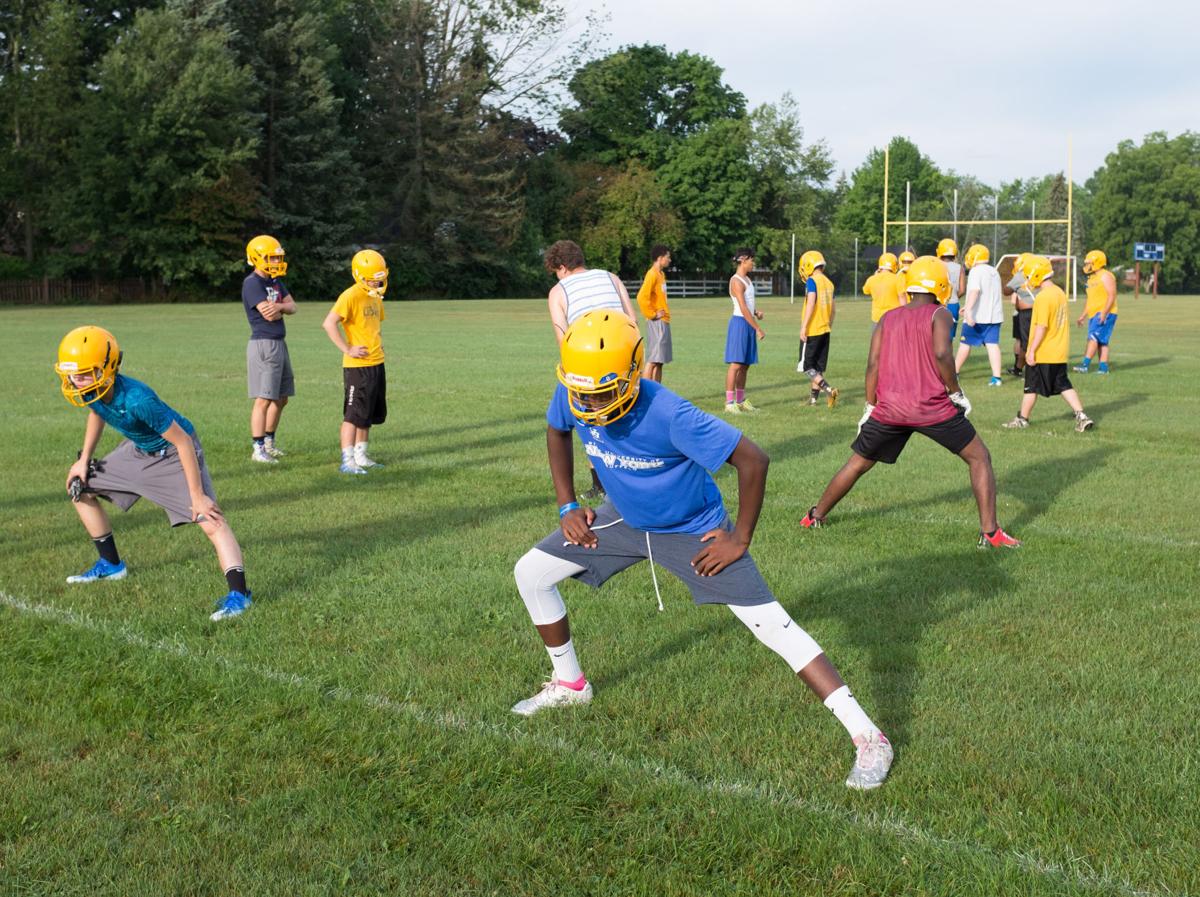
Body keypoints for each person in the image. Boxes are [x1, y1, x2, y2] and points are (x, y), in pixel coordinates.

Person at [511, 310, 894, 789]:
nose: (588, 402)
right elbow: (557, 429)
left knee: (771, 624)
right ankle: (570, 685)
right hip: (623, 519)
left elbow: (753, 459)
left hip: (693, 530)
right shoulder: (578, 387)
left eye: (601, 392)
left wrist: (739, 538)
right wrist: (567, 502)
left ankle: (868, 736)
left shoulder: (669, 412)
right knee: (532, 573)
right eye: (580, 391)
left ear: (632, 371)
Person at [798, 258, 1021, 549]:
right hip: (932, 407)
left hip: (890, 408)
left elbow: (873, 365)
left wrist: (870, 405)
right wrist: (955, 392)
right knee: (979, 457)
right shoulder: (939, 313)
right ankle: (991, 534)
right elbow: (942, 354)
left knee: (857, 464)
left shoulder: (888, 317)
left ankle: (814, 516)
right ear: (941, 284)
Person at [54, 326, 253, 621]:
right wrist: (84, 459)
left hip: (174, 452)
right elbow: (97, 413)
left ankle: (240, 595)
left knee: (208, 518)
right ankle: (111, 565)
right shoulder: (96, 390)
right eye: (72, 374)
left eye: (84, 373)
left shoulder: (137, 399)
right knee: (78, 486)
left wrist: (197, 497)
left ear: (107, 369)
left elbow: (183, 442)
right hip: (139, 450)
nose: (75, 380)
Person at [545, 239, 638, 498]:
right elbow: (632, 320)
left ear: (562, 267)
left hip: (589, 364)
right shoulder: (611, 277)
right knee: (626, 421)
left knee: (588, 425)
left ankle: (605, 486)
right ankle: (623, 480)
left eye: (556, 272)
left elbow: (564, 340)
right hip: (623, 361)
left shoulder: (559, 291)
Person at [1003, 256, 1094, 432]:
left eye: (1029, 276)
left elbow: (1041, 326)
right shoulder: (1059, 292)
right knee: (1063, 385)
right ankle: (1081, 415)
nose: (1028, 280)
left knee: (1030, 387)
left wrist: (1031, 350)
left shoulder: (1044, 297)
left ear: (1037, 275)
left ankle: (1022, 419)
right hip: (1059, 351)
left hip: (1043, 352)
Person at [322, 250, 389, 474]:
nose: (377, 282)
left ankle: (361, 456)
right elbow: (329, 323)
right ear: (359, 276)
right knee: (353, 414)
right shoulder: (350, 295)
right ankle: (347, 460)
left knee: (367, 413)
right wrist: (347, 348)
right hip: (357, 367)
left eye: (380, 278)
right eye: (372, 279)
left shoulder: (375, 295)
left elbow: (372, 327)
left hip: (376, 362)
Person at [243, 235, 297, 464]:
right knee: (264, 398)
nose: (276, 262)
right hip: (264, 344)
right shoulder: (252, 283)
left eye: (277, 257)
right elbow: (267, 313)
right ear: (257, 258)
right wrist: (279, 307)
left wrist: (279, 307)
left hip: (279, 342)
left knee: (282, 397)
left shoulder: (275, 281)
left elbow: (292, 307)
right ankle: (258, 449)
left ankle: (268, 442)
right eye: (271, 258)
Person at [954, 244, 1005, 385]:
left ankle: (954, 372)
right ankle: (997, 377)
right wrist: (968, 306)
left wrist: (969, 310)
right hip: (994, 316)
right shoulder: (994, 271)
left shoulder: (976, 271)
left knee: (965, 344)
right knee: (992, 345)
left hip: (978, 316)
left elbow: (975, 291)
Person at [724, 248, 765, 413]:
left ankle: (740, 401)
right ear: (742, 260)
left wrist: (756, 312)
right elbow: (741, 306)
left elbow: (748, 305)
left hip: (748, 321)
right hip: (740, 324)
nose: (753, 263)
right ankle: (729, 403)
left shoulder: (747, 279)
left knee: (745, 364)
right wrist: (758, 328)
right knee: (736, 364)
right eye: (751, 260)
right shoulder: (736, 281)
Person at [797, 250, 839, 407]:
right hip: (825, 329)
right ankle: (813, 400)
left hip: (813, 329)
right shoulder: (829, 283)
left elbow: (811, 302)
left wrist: (804, 326)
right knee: (818, 367)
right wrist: (829, 324)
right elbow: (833, 309)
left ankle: (829, 389)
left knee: (808, 367)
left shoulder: (812, 281)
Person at [1073, 250, 1118, 374]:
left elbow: (1111, 295)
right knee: (1102, 341)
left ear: (1097, 262)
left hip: (1105, 312)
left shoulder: (1106, 275)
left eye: (1090, 263)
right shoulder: (1091, 278)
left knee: (1093, 338)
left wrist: (1104, 312)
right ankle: (1103, 368)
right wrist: (1083, 315)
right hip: (1094, 313)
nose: (1087, 265)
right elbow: (1091, 300)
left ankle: (1085, 365)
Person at [636, 244, 673, 383]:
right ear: (660, 258)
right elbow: (641, 297)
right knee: (653, 359)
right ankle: (645, 391)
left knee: (660, 360)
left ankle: (657, 391)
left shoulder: (661, 274)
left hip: (664, 321)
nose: (669, 260)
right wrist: (652, 314)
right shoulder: (652, 274)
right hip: (657, 322)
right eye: (668, 257)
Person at [1004, 252, 1035, 376]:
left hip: (1025, 312)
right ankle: (1024, 368)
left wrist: (1014, 287)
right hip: (1040, 310)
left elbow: (1006, 290)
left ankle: (1021, 368)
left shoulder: (1020, 275)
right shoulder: (1039, 274)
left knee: (1024, 342)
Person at [936, 238, 966, 339]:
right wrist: (952, 297)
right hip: (953, 304)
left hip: (937, 305)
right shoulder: (959, 268)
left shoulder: (936, 265)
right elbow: (962, 290)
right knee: (949, 337)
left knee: (936, 336)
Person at [862, 252, 904, 323]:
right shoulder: (897, 279)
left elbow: (865, 291)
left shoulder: (871, 279)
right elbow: (902, 297)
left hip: (877, 318)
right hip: (894, 318)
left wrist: (875, 275)